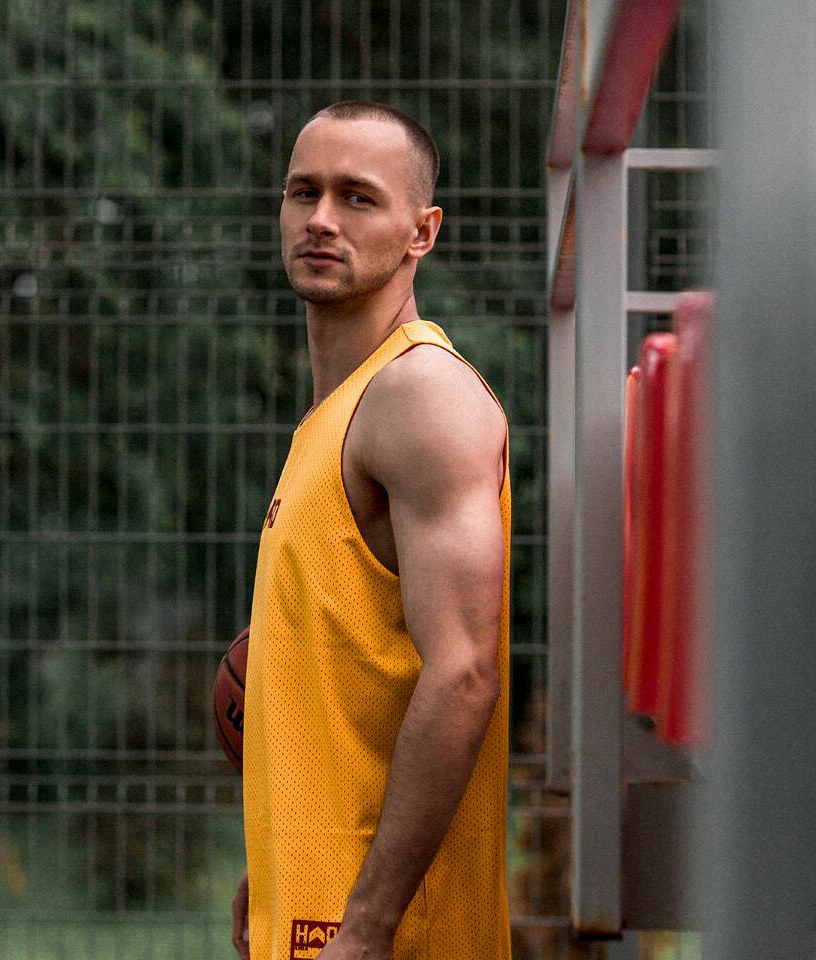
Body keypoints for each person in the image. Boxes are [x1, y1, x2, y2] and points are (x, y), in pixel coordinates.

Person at [233, 100, 511, 960]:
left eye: (357, 197)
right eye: (303, 191)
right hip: (318, 905)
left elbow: (464, 673)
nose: (321, 218)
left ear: (422, 232)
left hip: (385, 934)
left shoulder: (422, 397)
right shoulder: (339, 415)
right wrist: (273, 860)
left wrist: (367, 925)